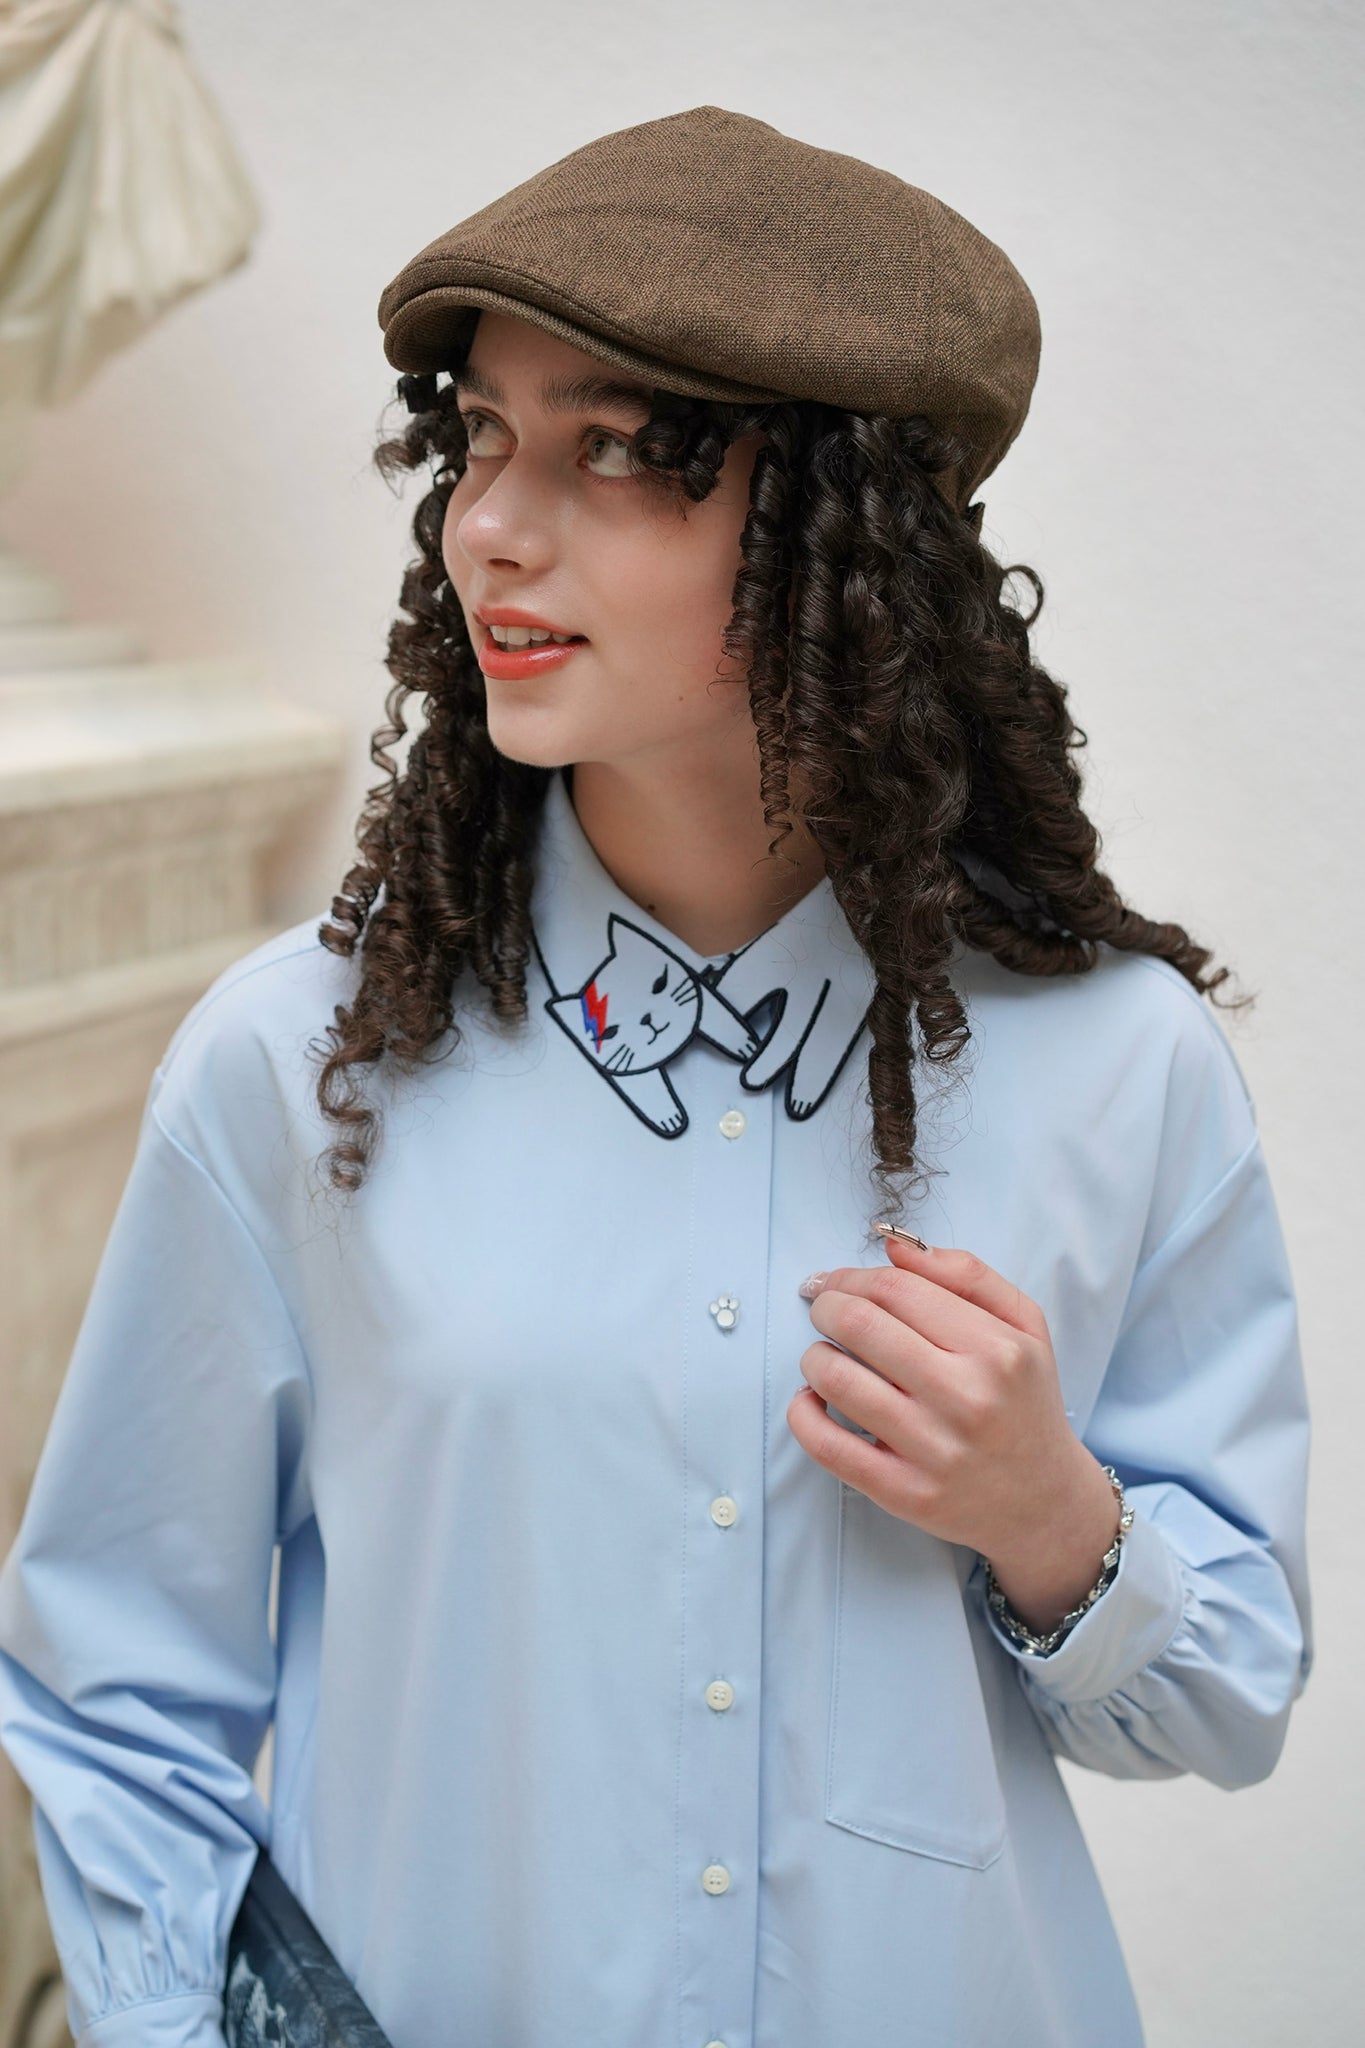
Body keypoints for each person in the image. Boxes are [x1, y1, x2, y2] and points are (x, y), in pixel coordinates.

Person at [0, 105, 1312, 2048]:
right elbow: (116, 1690)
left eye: (613, 448)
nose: (491, 524)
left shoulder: (1117, 1068)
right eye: (480, 437)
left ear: (841, 532)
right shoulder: (295, 1066)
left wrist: (1053, 1519)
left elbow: (1229, 1697)